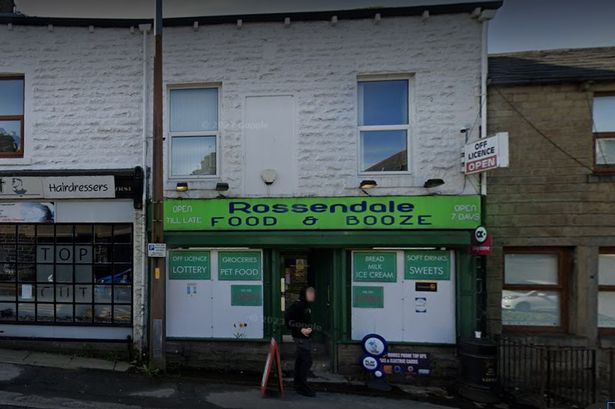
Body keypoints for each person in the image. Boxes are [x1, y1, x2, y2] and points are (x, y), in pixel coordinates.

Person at [285, 286, 316, 397]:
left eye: (313, 293)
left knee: (301, 361)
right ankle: (302, 387)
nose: (313, 295)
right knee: (307, 361)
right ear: (304, 294)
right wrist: (301, 329)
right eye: (310, 293)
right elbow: (288, 321)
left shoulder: (306, 305)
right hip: (300, 338)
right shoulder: (298, 305)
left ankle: (298, 384)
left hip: (305, 338)